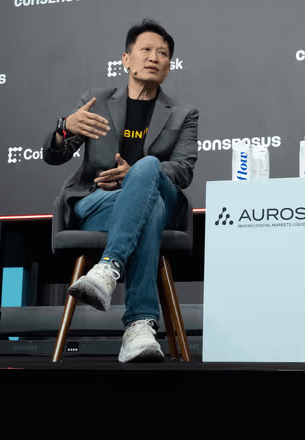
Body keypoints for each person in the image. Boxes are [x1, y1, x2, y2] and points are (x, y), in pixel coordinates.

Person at [45, 20, 198, 363]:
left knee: (147, 169)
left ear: (169, 67)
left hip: (162, 194)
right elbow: (56, 155)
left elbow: (183, 170)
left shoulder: (183, 114)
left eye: (163, 54)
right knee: (150, 210)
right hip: (98, 201)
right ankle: (140, 326)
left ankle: (107, 269)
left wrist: (139, 174)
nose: (154, 57)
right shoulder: (97, 102)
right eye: (146, 50)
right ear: (126, 59)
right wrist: (63, 127)